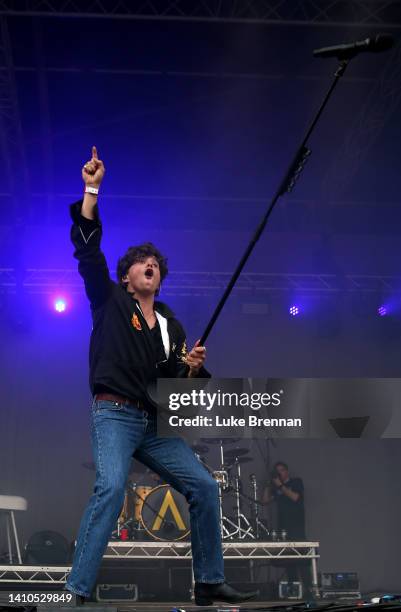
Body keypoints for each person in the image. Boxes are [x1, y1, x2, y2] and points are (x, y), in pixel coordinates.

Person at [64, 146, 258, 607]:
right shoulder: (109, 300)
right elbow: (87, 248)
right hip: (113, 412)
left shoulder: (171, 325)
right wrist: (92, 189)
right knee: (110, 488)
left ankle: (208, 581)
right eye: (141, 261)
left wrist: (189, 371)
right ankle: (75, 591)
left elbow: (172, 389)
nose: (150, 265)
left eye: (156, 263)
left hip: (153, 424)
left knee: (205, 486)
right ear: (127, 277)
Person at [263, 461, 311, 595]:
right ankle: (294, 593)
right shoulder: (277, 488)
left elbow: (295, 497)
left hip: (297, 527)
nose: (280, 474)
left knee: (303, 560)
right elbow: (265, 501)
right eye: (277, 472)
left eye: (282, 470)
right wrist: (268, 485)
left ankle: (310, 591)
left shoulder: (296, 482)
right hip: (283, 530)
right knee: (289, 562)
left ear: (287, 471)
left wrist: (280, 485)